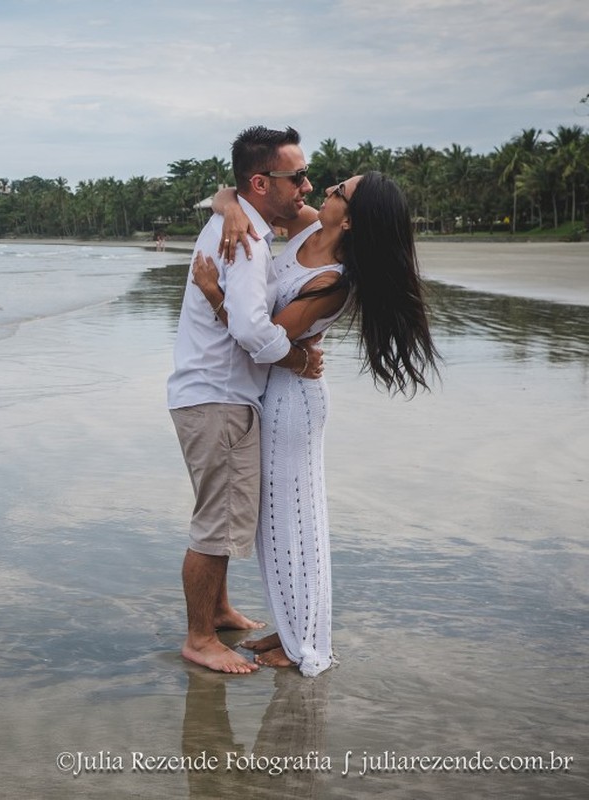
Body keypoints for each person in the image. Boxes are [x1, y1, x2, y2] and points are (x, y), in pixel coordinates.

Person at [192, 170, 439, 675]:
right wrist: (230, 205)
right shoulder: (310, 227)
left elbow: (263, 341)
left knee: (295, 523)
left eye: (337, 192)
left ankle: (303, 641)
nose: (322, 191)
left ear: (350, 219)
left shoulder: (332, 280)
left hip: (293, 401)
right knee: (279, 521)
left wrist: (214, 294)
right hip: (280, 389)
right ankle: (291, 629)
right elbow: (239, 199)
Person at [167, 125, 323, 675]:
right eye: (297, 175)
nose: (307, 184)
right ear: (261, 182)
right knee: (216, 522)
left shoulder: (236, 221)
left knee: (225, 512)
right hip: (220, 398)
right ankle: (199, 637)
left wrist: (229, 199)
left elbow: (245, 320)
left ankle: (220, 611)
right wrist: (297, 359)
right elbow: (254, 331)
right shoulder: (247, 239)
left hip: (210, 394)